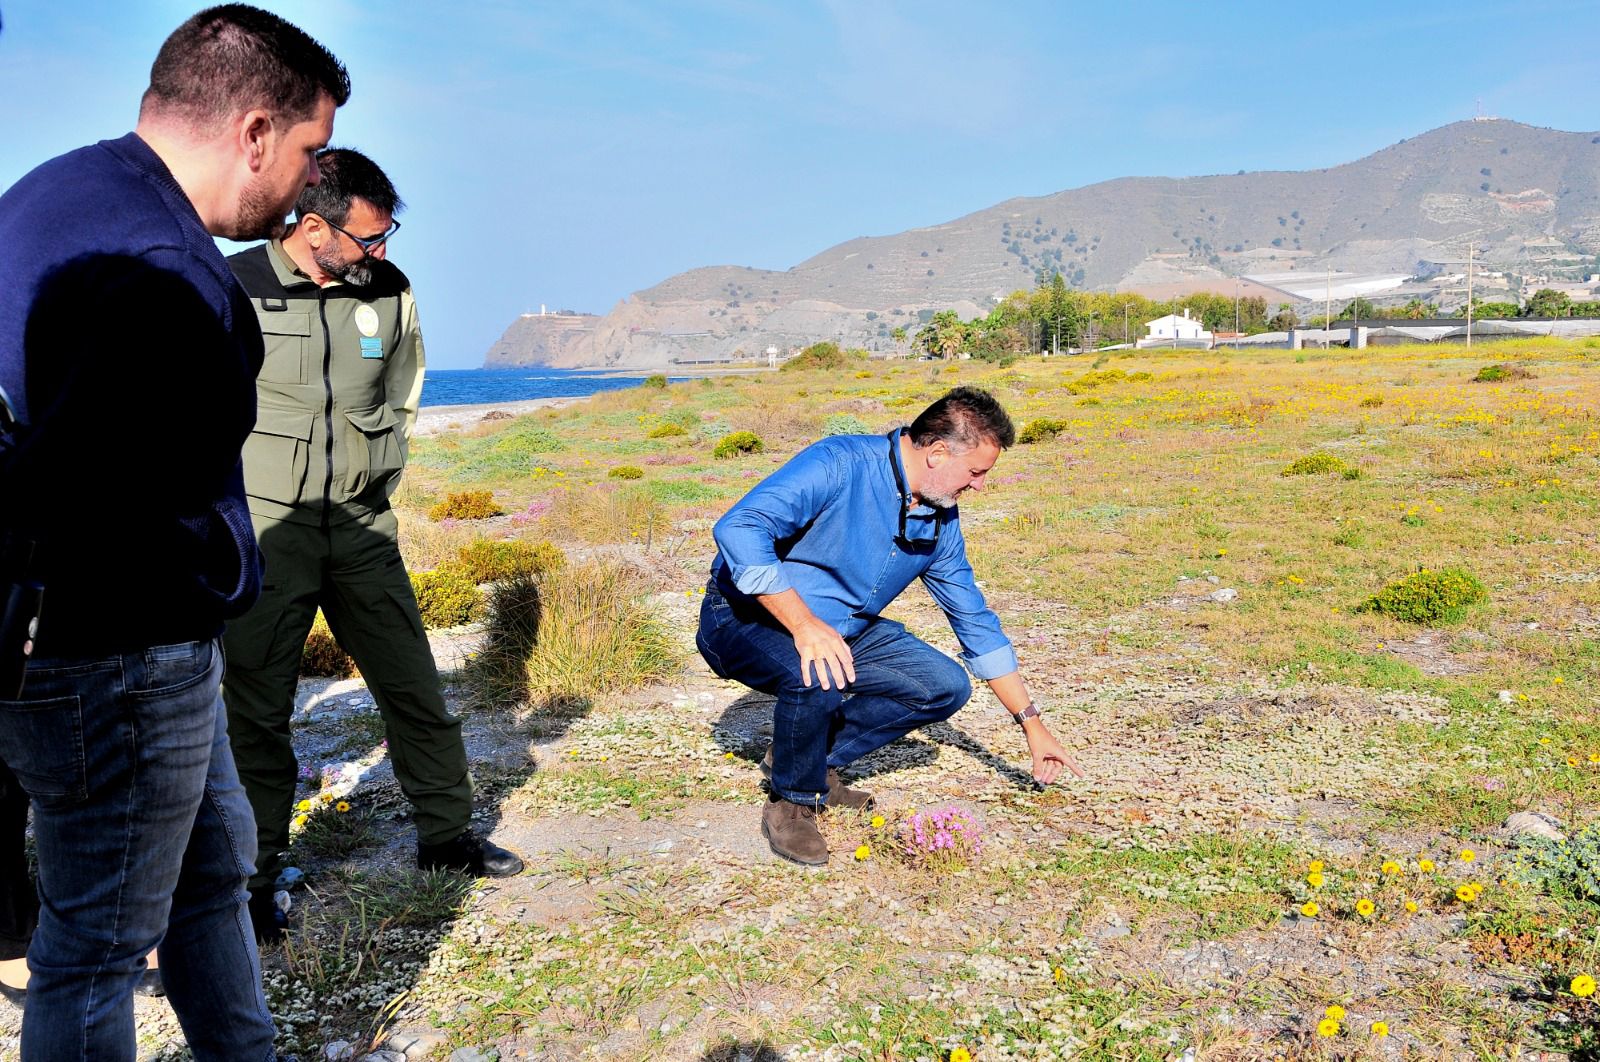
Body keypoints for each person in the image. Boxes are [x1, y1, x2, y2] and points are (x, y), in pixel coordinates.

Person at [0, 5, 348, 1057]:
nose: (310, 182)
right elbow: (128, 499)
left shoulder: (51, 192)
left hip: (82, 644)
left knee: (208, 880)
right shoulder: (168, 272)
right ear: (252, 130)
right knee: (96, 954)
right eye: (308, 151)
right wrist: (225, 574)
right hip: (115, 660)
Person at [223, 147, 523, 942]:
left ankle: (446, 838)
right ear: (313, 226)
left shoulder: (388, 291)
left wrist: (377, 477)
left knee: (415, 688)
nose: (382, 252)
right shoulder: (231, 284)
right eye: (368, 238)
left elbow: (406, 392)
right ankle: (252, 881)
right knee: (254, 713)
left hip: (361, 531)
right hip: (266, 538)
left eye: (389, 234)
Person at [696, 386, 1085, 865]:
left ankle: (806, 760)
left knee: (943, 686)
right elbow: (740, 528)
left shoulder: (939, 518)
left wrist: (1032, 726)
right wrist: (803, 625)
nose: (981, 486)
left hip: (842, 627)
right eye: (977, 472)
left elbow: (974, 620)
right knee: (815, 671)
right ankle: (793, 800)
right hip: (741, 617)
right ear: (938, 453)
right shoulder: (839, 462)